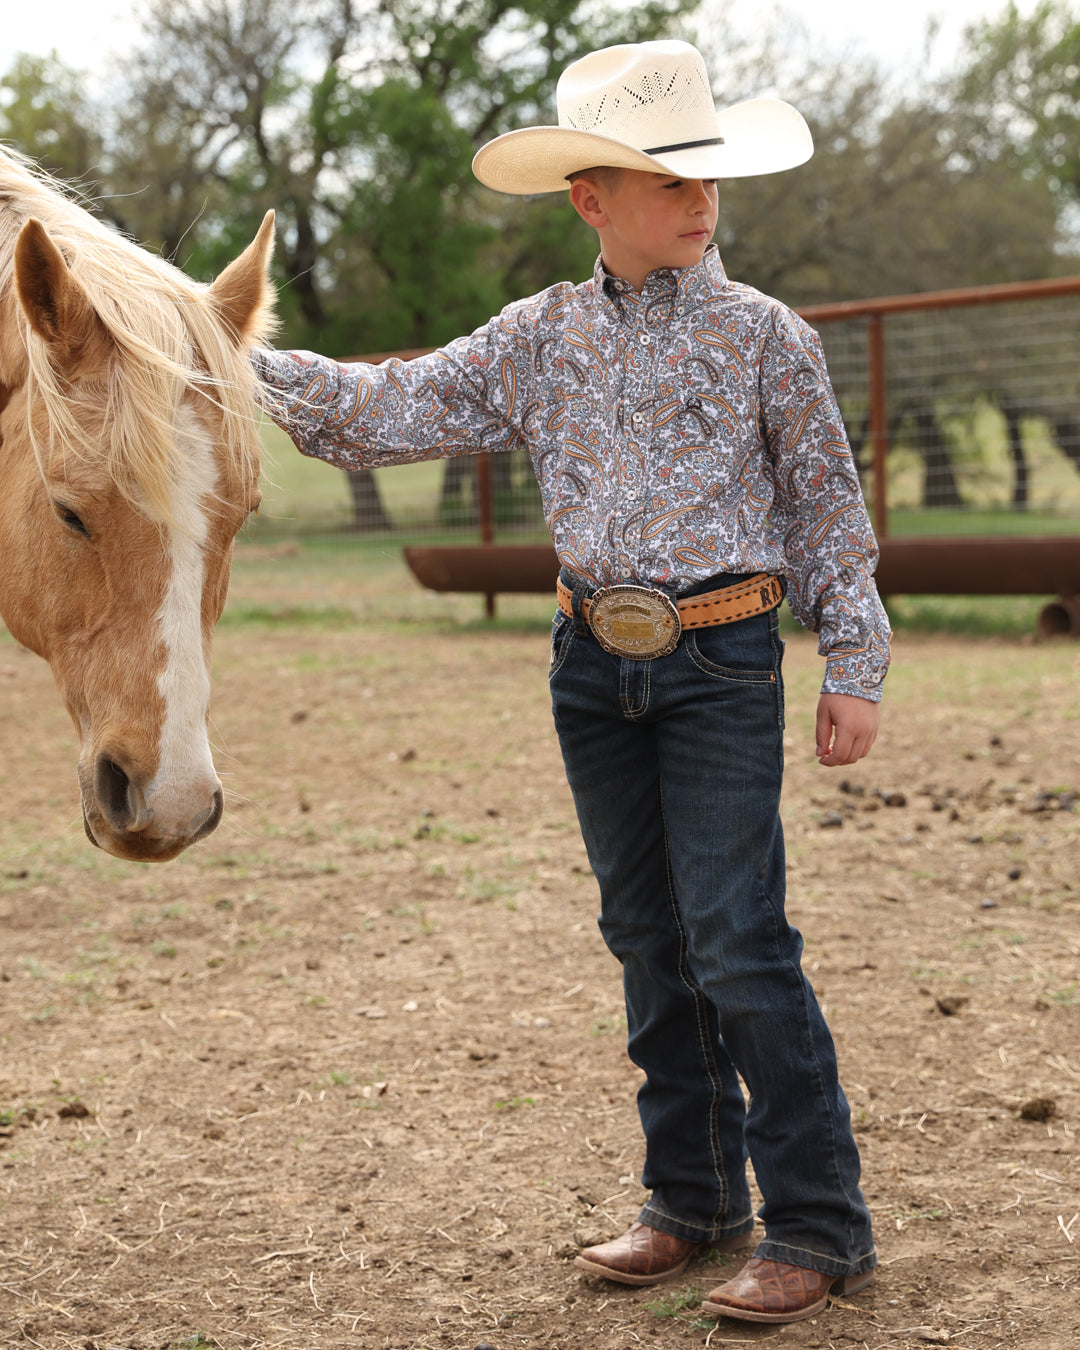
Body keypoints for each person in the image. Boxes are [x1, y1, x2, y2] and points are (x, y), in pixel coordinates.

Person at [254, 38, 890, 1325]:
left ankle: (820, 1225)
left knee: (738, 940)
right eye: (664, 182)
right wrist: (212, 348)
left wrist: (856, 659)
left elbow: (828, 516)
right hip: (592, 664)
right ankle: (694, 1202)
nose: (699, 201)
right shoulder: (536, 339)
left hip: (720, 661)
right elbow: (387, 408)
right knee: (647, 936)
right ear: (589, 200)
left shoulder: (771, 339)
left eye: (703, 178)